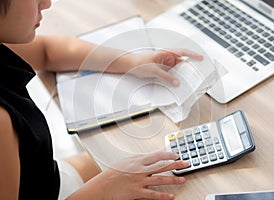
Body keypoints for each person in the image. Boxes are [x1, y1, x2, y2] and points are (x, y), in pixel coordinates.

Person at [0, 0, 203, 199]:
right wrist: (105, 189)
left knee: (143, 160)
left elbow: (47, 51)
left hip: (44, 181)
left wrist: (132, 62)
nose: (47, 3)